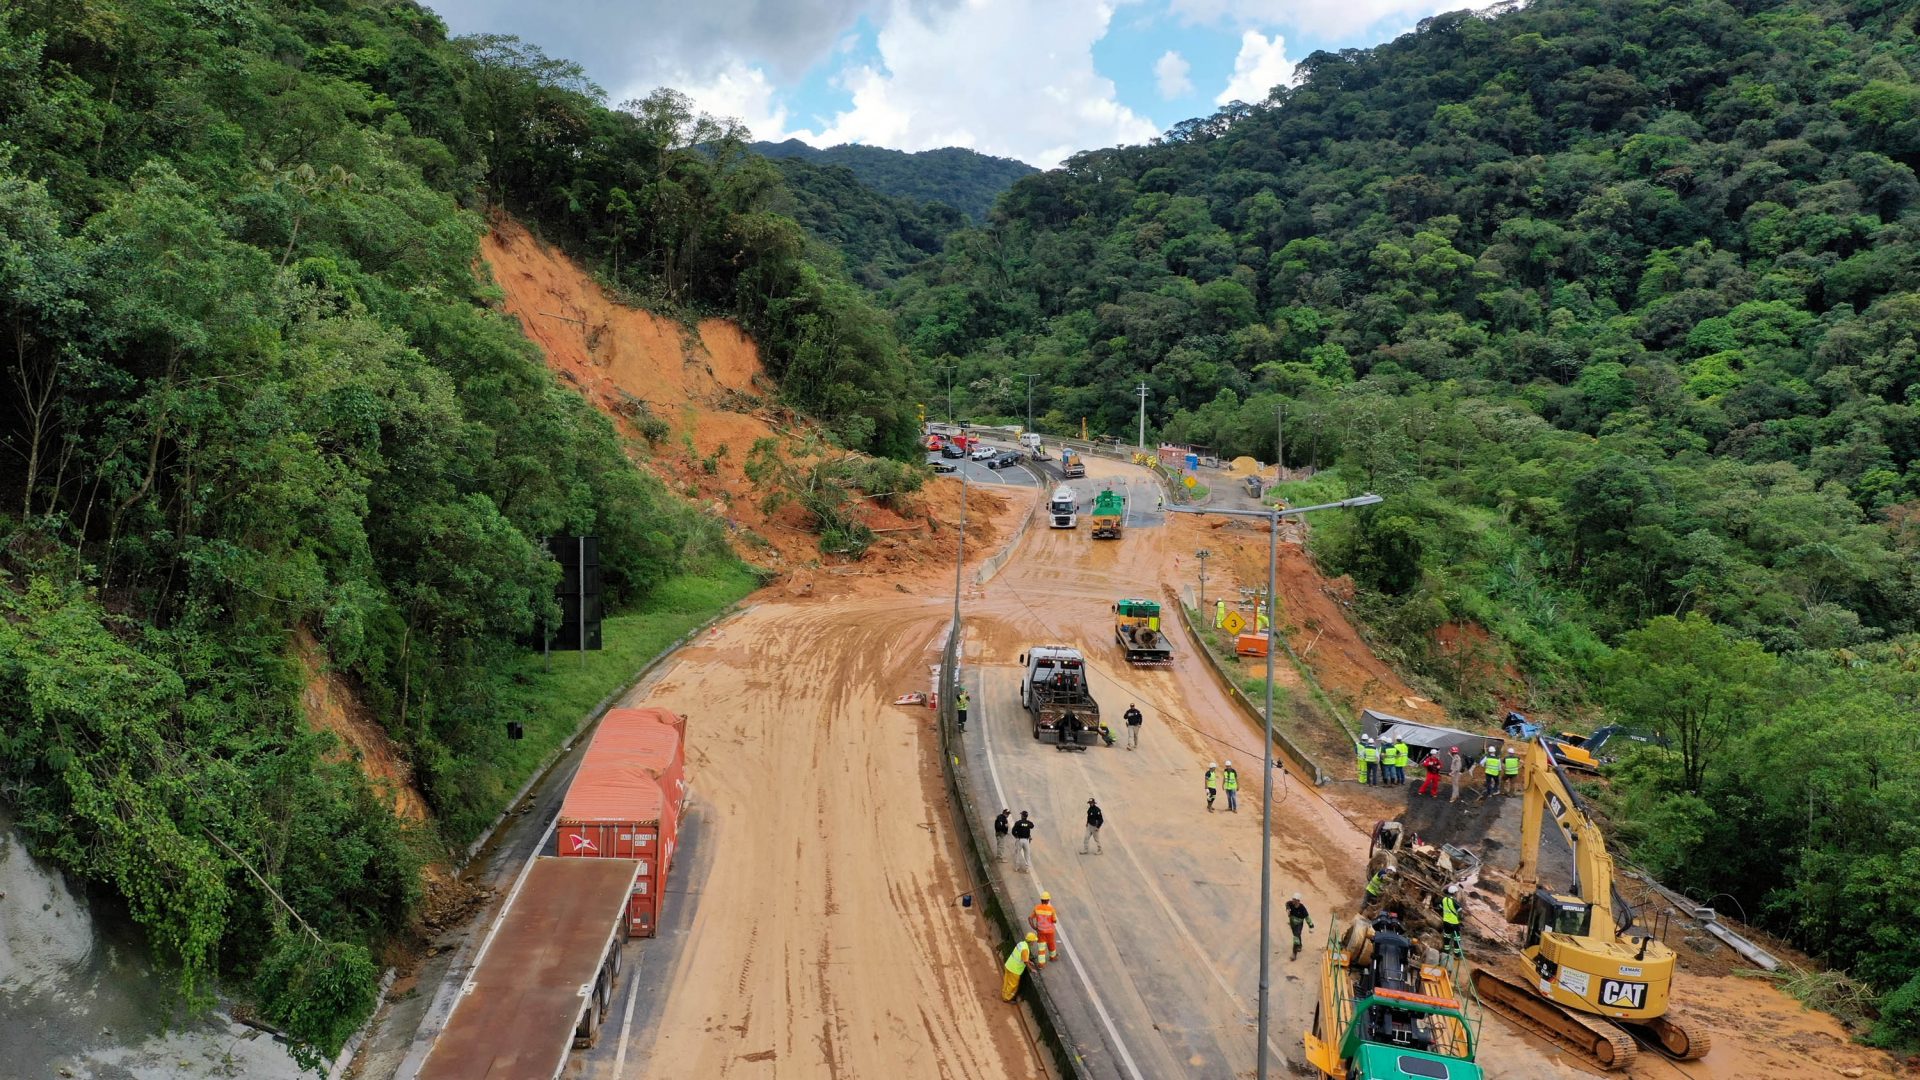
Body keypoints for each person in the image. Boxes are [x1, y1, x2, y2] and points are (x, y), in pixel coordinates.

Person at [1002, 933, 1036, 1001]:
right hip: (1015, 970)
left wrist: (1029, 961)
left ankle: (1003, 994)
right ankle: (1006, 998)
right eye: (1034, 941)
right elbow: (1025, 961)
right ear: (1031, 941)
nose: (1034, 943)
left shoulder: (1021, 944)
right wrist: (1032, 969)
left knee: (1006, 981)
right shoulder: (1025, 949)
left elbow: (1021, 956)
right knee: (1013, 985)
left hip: (1009, 965)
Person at [1029, 892, 1059, 961]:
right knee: (1051, 945)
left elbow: (1030, 918)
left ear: (1041, 900)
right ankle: (1052, 957)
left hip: (1040, 931)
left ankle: (1041, 964)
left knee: (1041, 947)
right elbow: (1054, 921)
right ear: (1047, 900)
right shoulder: (1051, 909)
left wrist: (1034, 927)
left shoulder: (1037, 908)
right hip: (1050, 932)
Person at [1286, 894, 1315, 959]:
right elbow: (1287, 903)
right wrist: (1288, 909)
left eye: (1294, 900)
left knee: (1296, 938)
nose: (1293, 901)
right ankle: (1299, 945)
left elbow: (1307, 918)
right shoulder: (1291, 904)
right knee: (1297, 935)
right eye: (1293, 899)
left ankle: (1294, 954)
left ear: (1298, 901)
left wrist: (1311, 926)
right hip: (1292, 923)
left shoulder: (1302, 908)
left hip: (1299, 924)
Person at [1441, 884, 1464, 956]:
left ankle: (1446, 950)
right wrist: (1460, 919)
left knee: (1447, 936)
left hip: (1446, 921)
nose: (1456, 893)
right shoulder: (1454, 901)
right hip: (1454, 923)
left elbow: (1440, 906)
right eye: (1456, 892)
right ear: (1454, 893)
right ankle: (1457, 953)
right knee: (1457, 938)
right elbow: (1460, 911)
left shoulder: (1444, 899)